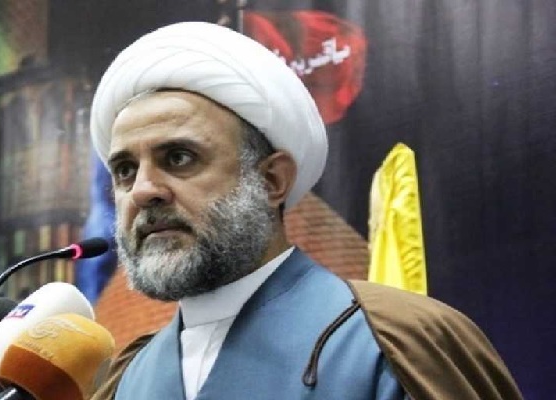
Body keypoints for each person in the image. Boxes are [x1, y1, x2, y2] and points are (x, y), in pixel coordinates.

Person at [86, 21, 522, 400]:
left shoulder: (398, 344)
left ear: (272, 180)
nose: (143, 190)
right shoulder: (127, 378)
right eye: (125, 170)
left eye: (179, 158)